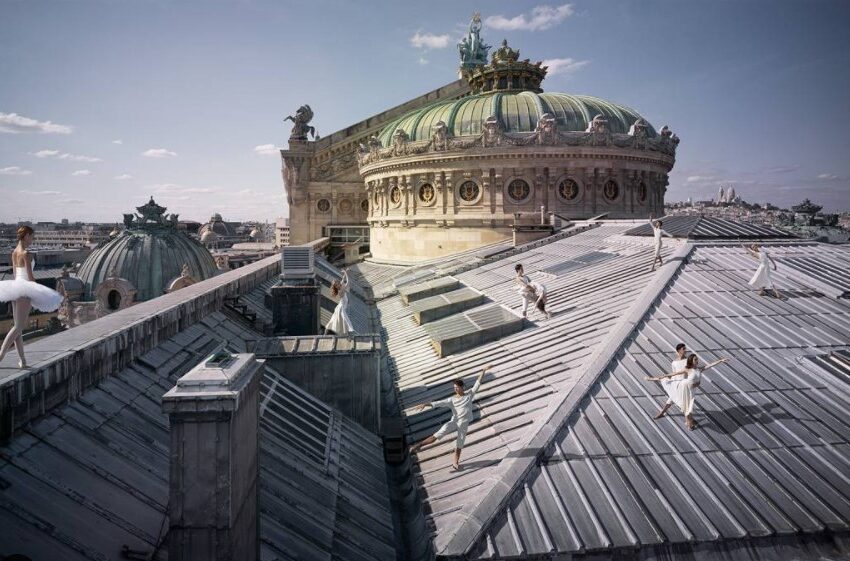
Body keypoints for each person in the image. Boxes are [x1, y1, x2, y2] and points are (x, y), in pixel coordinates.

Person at [0, 226, 63, 368]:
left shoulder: (14, 252)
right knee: (18, 327)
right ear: (26, 235)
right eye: (32, 236)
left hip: (15, 287)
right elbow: (30, 277)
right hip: (25, 289)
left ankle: (23, 360)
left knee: (18, 328)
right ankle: (1, 355)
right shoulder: (27, 253)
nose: (32, 240)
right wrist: (37, 291)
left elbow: (16, 275)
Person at [409, 364, 492, 470]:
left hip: (464, 424)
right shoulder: (451, 400)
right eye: (454, 388)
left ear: (463, 387)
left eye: (457, 387)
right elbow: (439, 403)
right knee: (438, 434)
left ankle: (455, 463)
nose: (456, 389)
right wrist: (426, 404)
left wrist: (483, 370)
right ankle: (418, 445)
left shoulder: (469, 395)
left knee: (460, 443)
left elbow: (477, 383)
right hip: (454, 422)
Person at [646, 354, 729, 430]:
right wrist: (666, 375)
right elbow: (676, 373)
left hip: (691, 391)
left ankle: (689, 422)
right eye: (695, 360)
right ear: (691, 361)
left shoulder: (699, 369)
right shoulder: (688, 369)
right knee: (666, 381)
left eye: (697, 359)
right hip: (683, 388)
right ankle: (689, 425)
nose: (697, 361)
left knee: (687, 407)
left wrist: (720, 360)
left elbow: (710, 365)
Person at [652, 343, 689, 420]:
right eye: (683, 349)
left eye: (685, 348)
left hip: (684, 384)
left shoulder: (688, 361)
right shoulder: (674, 363)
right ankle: (662, 413)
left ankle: (689, 420)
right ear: (679, 350)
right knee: (672, 399)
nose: (685, 350)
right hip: (676, 383)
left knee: (682, 401)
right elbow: (674, 374)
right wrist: (669, 380)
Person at [324, 269, 353, 336]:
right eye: (336, 285)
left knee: (335, 319)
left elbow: (343, 279)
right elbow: (348, 282)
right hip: (341, 307)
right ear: (336, 287)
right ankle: (347, 333)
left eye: (338, 283)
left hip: (341, 305)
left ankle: (326, 330)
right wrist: (346, 273)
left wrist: (344, 274)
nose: (338, 285)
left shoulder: (341, 286)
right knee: (345, 319)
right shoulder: (340, 290)